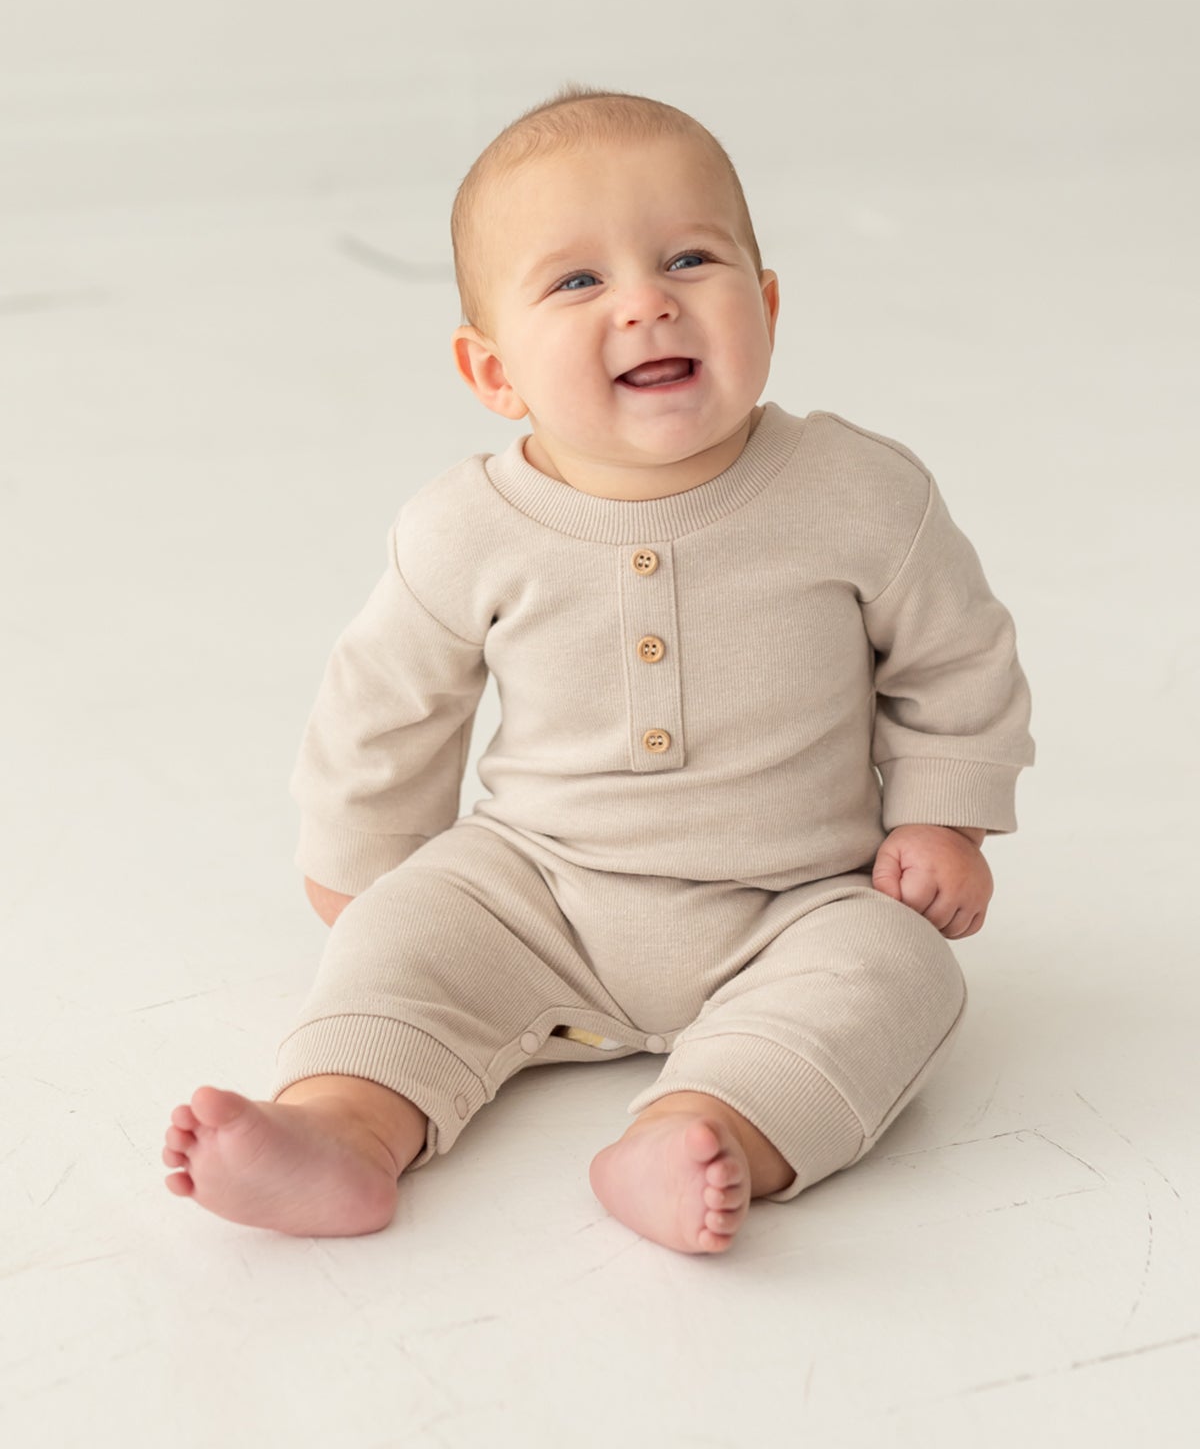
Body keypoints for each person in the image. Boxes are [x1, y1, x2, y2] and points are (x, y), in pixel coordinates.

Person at [162, 83, 1035, 1255]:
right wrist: (363, 866)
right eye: (578, 282)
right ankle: (342, 1130)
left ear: (767, 304)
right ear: (493, 372)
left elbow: (957, 659)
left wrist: (947, 820)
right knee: (401, 937)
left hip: (795, 900)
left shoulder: (862, 495)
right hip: (536, 887)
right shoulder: (464, 527)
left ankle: (697, 1128)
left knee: (900, 972)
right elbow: (386, 707)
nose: (646, 303)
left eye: (689, 258)